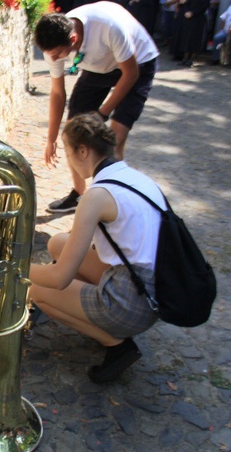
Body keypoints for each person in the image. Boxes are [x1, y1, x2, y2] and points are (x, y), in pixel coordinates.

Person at [28, 114, 163, 383]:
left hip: (131, 304)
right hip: (155, 291)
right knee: (57, 243)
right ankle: (88, 309)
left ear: (82, 150)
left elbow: (59, 277)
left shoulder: (97, 195)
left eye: (67, 151)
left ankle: (117, 345)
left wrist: (8, 265)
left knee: (39, 290)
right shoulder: (135, 178)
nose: (68, 160)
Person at [33, 2, 159, 214]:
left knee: (115, 137)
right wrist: (51, 138)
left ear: (73, 39)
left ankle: (111, 201)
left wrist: (102, 113)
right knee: (73, 131)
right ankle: (79, 194)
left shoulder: (109, 27)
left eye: (58, 55)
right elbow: (57, 93)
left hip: (137, 64)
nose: (52, 60)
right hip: (99, 67)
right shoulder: (53, 45)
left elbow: (131, 74)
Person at [172, 0, 211, 67]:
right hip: (187, 18)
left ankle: (191, 59)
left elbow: (204, 6)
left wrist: (193, 13)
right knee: (186, 38)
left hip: (198, 19)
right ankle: (185, 58)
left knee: (195, 39)